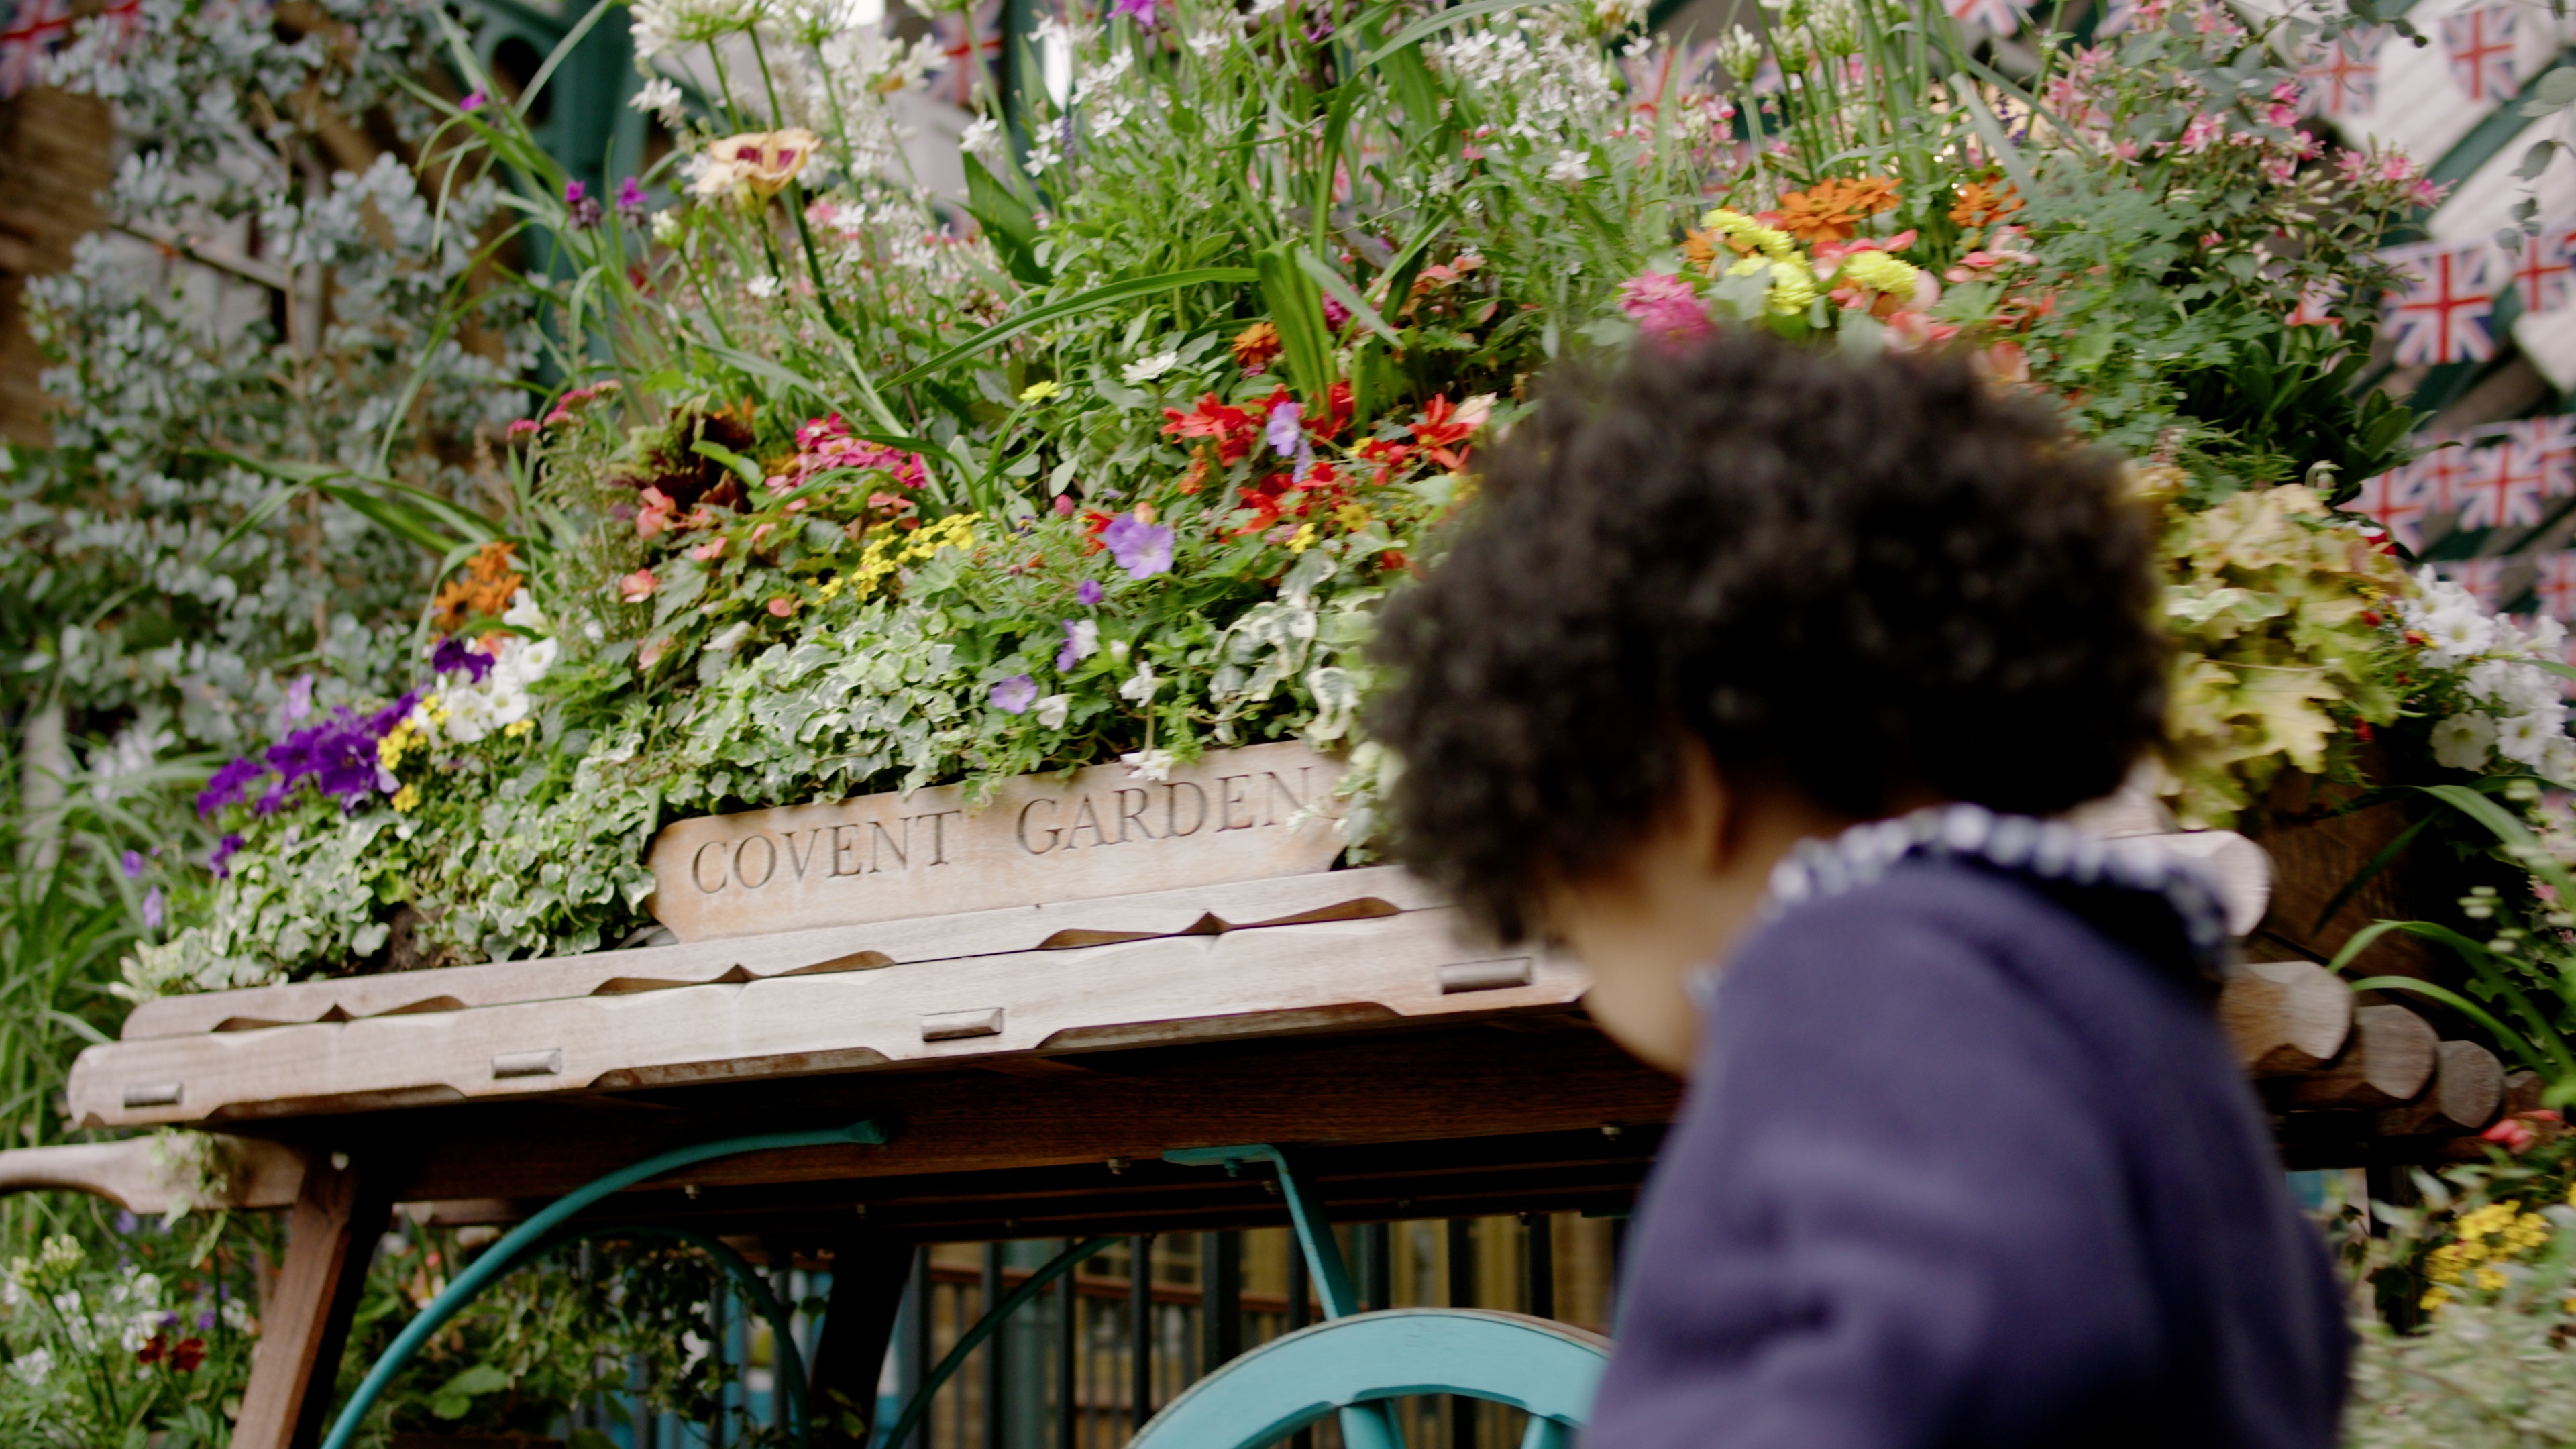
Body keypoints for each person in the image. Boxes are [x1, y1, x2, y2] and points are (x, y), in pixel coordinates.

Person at [1367, 333, 2348, 1448]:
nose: (1594, 987)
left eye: (1569, 922)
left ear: (1684, 788)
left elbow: (1992, 1326)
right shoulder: (2128, 1001)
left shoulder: (1851, 965)